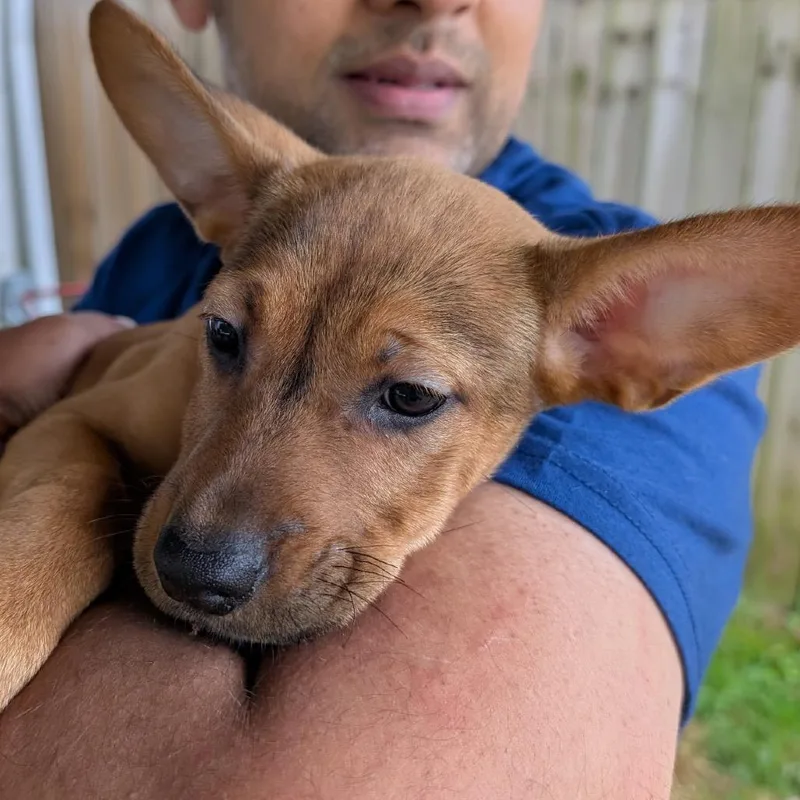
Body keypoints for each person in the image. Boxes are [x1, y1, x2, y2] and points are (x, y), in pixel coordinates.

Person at [0, 1, 764, 797]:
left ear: (623, 343)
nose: (206, 540)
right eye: (226, 338)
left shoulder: (576, 316)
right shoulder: (174, 242)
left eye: (404, 397)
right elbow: (79, 424)